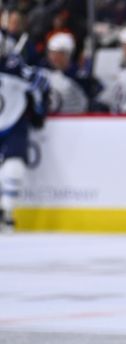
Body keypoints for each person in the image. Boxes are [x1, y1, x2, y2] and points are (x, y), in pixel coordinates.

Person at [0, 31, 48, 231]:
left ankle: (6, 212)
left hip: (13, 123)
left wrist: (38, 109)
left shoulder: (14, 67)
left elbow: (41, 82)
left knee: (14, 167)